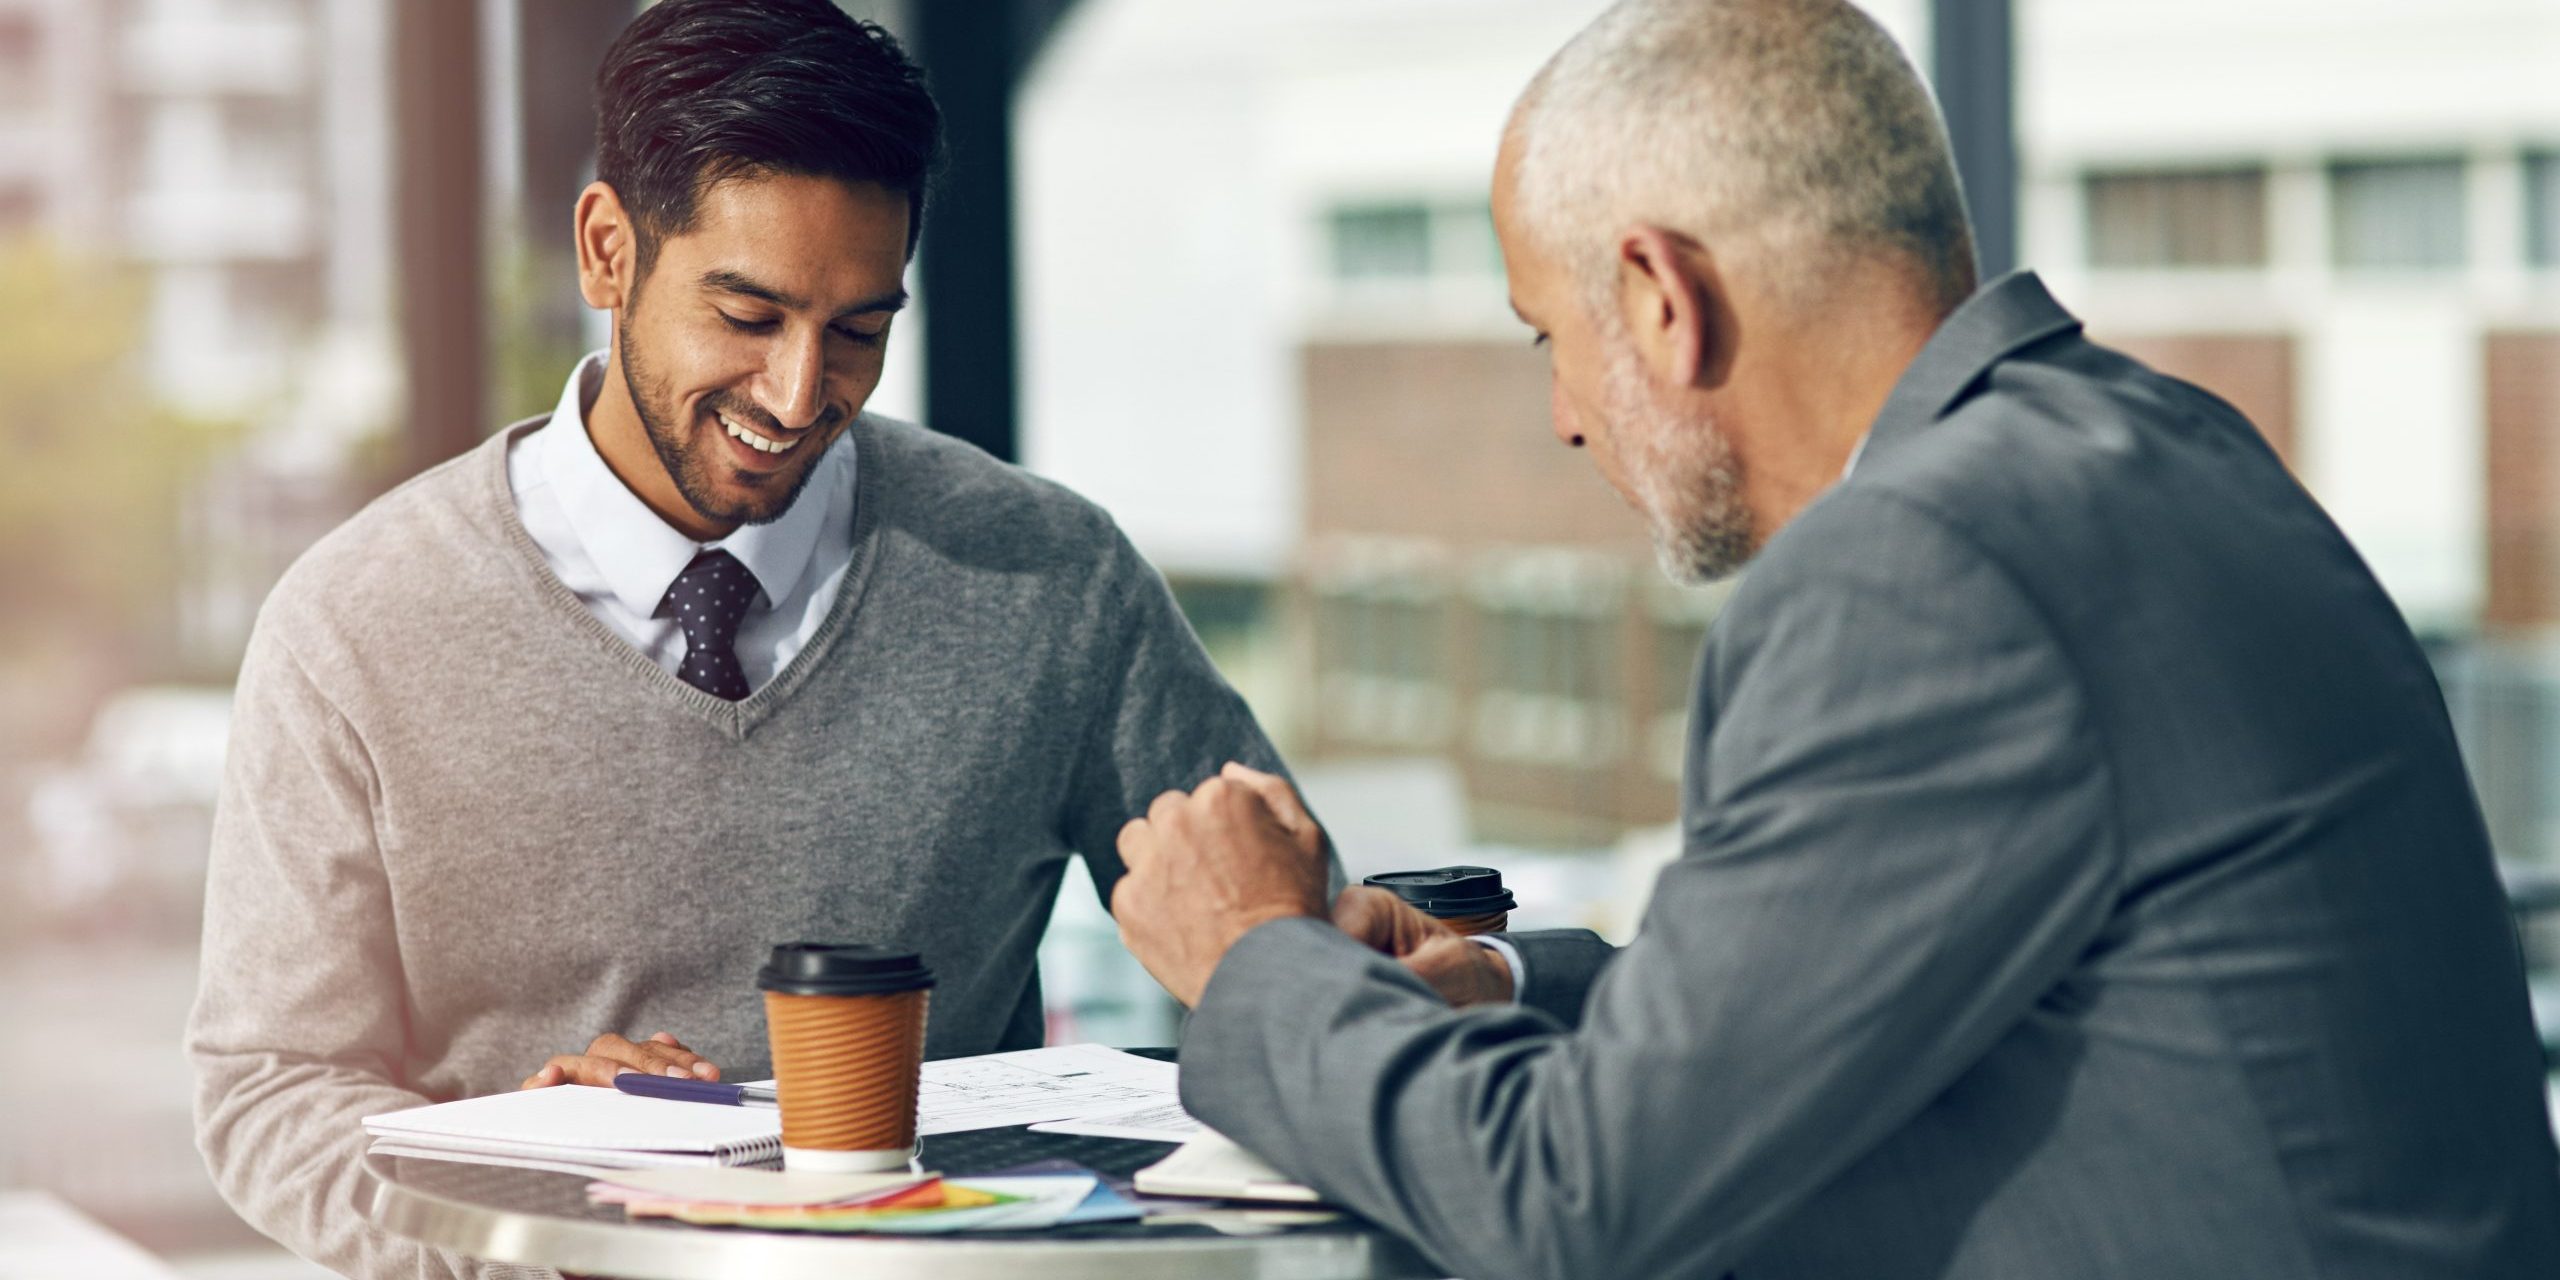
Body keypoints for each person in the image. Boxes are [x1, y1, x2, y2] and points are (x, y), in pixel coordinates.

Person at [1108, 1, 2560, 1276]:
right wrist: (1499, 979)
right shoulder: (2157, 444)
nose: (1561, 417)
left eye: (1547, 336)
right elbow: (1857, 988)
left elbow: (1568, 1208)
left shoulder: (1917, 567)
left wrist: (1250, 960)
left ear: (1661, 300)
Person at [187, 3, 1320, 1277]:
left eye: (858, 331)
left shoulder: (1046, 575)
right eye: (748, 314)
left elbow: (1282, 924)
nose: (798, 395)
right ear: (608, 250)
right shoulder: (353, 625)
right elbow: (271, 1089)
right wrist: (544, 1187)